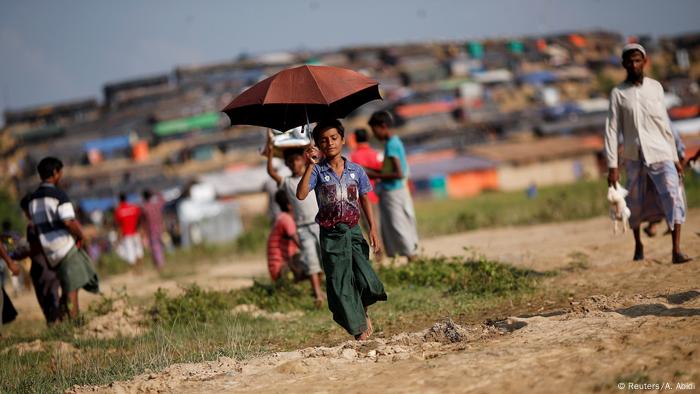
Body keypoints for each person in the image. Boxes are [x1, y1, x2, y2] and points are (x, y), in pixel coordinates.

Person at [297, 118, 387, 340]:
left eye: (334, 138)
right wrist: (309, 164)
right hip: (331, 236)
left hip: (354, 231)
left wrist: (373, 229)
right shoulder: (318, 172)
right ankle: (358, 328)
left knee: (367, 279)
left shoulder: (356, 170)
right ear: (318, 145)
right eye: (324, 141)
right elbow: (300, 194)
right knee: (340, 282)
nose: (330, 144)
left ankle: (363, 309)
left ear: (343, 140)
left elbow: (365, 199)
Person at [604, 43, 690, 264]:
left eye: (637, 60)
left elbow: (665, 124)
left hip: (660, 150)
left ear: (645, 62)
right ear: (624, 64)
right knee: (634, 202)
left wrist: (675, 156)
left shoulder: (656, 88)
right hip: (634, 155)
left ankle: (676, 250)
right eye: (630, 61)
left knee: (672, 193)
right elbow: (612, 131)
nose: (634, 64)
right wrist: (613, 166)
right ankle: (638, 244)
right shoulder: (618, 94)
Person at [27, 157, 99, 319]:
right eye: (60, 172)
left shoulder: (33, 199)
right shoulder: (59, 195)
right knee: (72, 285)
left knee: (68, 284)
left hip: (49, 251)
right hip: (64, 246)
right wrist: (82, 235)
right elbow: (68, 221)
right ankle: (74, 321)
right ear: (54, 173)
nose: (61, 176)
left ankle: (64, 315)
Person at [265, 132, 325, 306]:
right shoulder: (287, 182)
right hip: (302, 228)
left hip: (320, 224)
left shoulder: (312, 176)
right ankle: (318, 295)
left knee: (326, 259)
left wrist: (311, 145)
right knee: (311, 261)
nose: (294, 164)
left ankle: (330, 290)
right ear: (287, 164)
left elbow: (317, 158)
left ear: (303, 160)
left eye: (297, 160)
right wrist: (270, 150)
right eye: (290, 162)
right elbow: (270, 171)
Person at [367, 110, 419, 260]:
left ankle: (413, 259)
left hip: (394, 192)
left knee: (399, 227)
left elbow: (398, 173)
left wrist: (374, 175)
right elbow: (389, 170)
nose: (374, 134)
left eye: (374, 129)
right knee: (400, 226)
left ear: (382, 126)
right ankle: (411, 258)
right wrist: (373, 171)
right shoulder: (393, 143)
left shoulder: (392, 145)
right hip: (395, 191)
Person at [11, 194, 61, 324]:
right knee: (54, 298)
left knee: (46, 303)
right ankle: (60, 326)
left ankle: (54, 326)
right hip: (52, 266)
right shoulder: (48, 221)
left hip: (41, 270)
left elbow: (34, 249)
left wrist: (17, 255)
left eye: (25, 211)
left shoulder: (32, 226)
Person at [266, 190, 301, 282]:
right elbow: (300, 245)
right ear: (289, 205)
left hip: (281, 267)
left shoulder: (282, 217)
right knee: (310, 258)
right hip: (281, 269)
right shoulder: (286, 220)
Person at [114, 192, 143, 267]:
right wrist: (140, 229)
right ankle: (140, 267)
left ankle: (135, 269)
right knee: (138, 250)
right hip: (135, 232)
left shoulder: (118, 210)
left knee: (130, 253)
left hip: (126, 234)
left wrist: (118, 236)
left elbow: (118, 225)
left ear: (119, 200)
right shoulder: (134, 207)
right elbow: (139, 219)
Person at [141, 189, 167, 271]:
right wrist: (156, 192)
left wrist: (144, 233)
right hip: (161, 228)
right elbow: (163, 199)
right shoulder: (156, 205)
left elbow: (143, 222)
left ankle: (160, 264)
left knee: (156, 248)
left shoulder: (145, 207)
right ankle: (159, 263)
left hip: (151, 230)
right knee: (160, 246)